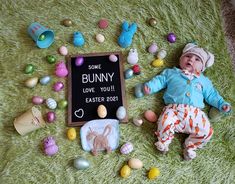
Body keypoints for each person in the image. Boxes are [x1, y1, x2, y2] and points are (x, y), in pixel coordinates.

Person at [143, 43, 231, 160]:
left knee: (207, 131)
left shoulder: (204, 81)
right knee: (164, 122)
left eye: (197, 59)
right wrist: (151, 87)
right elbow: (160, 80)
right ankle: (164, 142)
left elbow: (211, 94)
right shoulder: (172, 73)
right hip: (173, 110)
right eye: (188, 56)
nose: (191, 60)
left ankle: (190, 146)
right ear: (181, 60)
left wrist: (221, 104)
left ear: (202, 67)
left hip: (195, 113)